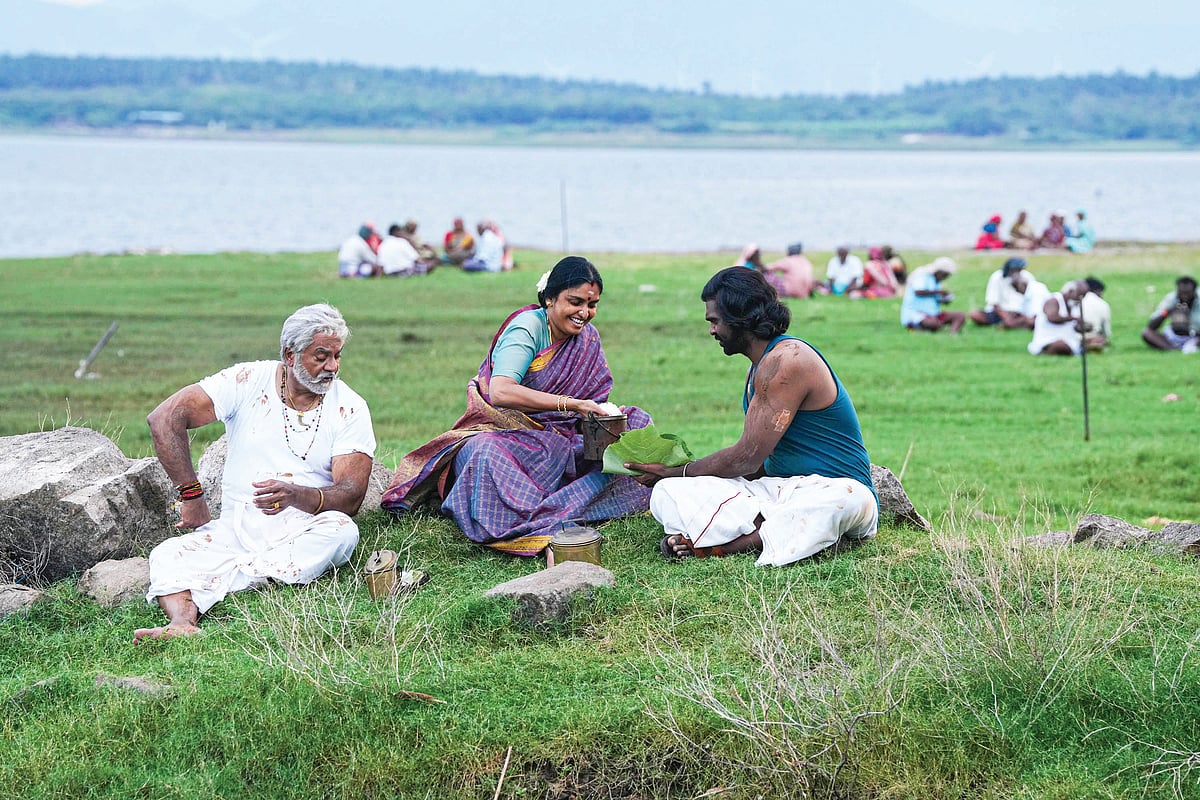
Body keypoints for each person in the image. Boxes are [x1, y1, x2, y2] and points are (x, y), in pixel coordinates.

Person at [134, 304, 376, 642]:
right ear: (290, 355)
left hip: (304, 527)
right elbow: (165, 418)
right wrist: (191, 495)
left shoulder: (350, 407)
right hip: (236, 528)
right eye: (321, 357)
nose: (332, 367)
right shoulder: (247, 380)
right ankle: (182, 623)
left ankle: (226, 581)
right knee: (167, 554)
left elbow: (351, 495)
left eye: (337, 356)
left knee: (342, 531)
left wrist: (296, 495)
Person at [381, 256, 653, 555]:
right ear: (550, 298)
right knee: (484, 453)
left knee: (637, 422)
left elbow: (594, 396)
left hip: (564, 438)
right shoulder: (527, 327)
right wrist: (572, 405)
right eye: (575, 302)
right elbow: (501, 391)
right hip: (509, 437)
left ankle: (562, 505)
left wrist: (603, 417)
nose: (584, 313)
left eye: (592, 305)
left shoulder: (587, 338)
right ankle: (558, 509)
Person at [625, 267, 878, 565]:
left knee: (844, 500)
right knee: (668, 492)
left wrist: (678, 470)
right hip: (777, 491)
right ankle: (772, 528)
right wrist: (679, 479)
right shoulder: (758, 368)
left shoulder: (789, 360)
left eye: (715, 321)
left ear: (739, 317)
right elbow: (756, 467)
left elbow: (746, 458)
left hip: (832, 489)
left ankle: (726, 545)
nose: (712, 331)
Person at [900, 256, 966, 333]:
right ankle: (921, 327)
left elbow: (934, 298)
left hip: (933, 314)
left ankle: (952, 333)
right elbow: (918, 292)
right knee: (933, 323)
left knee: (960, 315)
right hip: (916, 314)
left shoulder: (936, 282)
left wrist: (945, 299)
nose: (945, 278)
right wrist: (939, 292)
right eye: (945, 275)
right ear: (939, 271)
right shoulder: (922, 276)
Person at [969, 257, 1037, 329]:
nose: (1016, 272)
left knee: (1033, 319)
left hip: (1021, 312)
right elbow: (994, 302)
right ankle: (1014, 324)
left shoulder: (1027, 277)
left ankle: (1013, 324)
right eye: (1014, 270)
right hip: (1000, 312)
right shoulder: (997, 277)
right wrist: (1006, 317)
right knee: (975, 315)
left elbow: (1032, 299)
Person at [1028, 280, 1089, 356]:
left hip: (1069, 340)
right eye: (1078, 296)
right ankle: (1047, 352)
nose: (1079, 299)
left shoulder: (1074, 305)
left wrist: (1082, 326)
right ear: (1070, 291)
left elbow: (1073, 326)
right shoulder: (1053, 300)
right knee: (1061, 345)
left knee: (1096, 340)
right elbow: (1052, 317)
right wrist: (1073, 319)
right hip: (1049, 339)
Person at [1142, 275, 1200, 353]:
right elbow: (1151, 326)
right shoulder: (1171, 298)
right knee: (1147, 333)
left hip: (1196, 336)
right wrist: (1168, 312)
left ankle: (1190, 346)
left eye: (1187, 293)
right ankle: (1172, 349)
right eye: (1181, 293)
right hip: (1174, 335)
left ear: (1194, 291)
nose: (1184, 296)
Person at [1081, 276, 1111, 349]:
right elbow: (1106, 332)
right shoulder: (1103, 304)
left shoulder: (1075, 300)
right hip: (1093, 337)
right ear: (1098, 290)